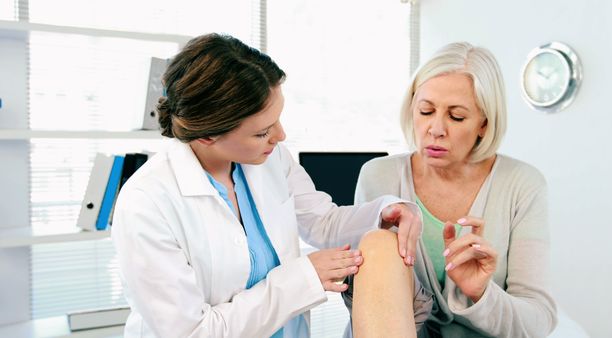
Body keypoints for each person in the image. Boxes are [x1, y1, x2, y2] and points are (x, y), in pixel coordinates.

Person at [110, 33, 422, 338]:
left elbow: (322, 223)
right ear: (207, 135)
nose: (281, 136)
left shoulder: (270, 160)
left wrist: (383, 211)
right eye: (262, 132)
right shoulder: (146, 203)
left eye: (278, 119)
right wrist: (304, 277)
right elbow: (193, 332)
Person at [348, 42, 557, 337]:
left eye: (456, 116)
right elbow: (365, 302)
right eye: (425, 111)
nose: (435, 128)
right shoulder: (378, 177)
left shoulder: (522, 185)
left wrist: (482, 293)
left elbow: (538, 321)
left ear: (484, 123)